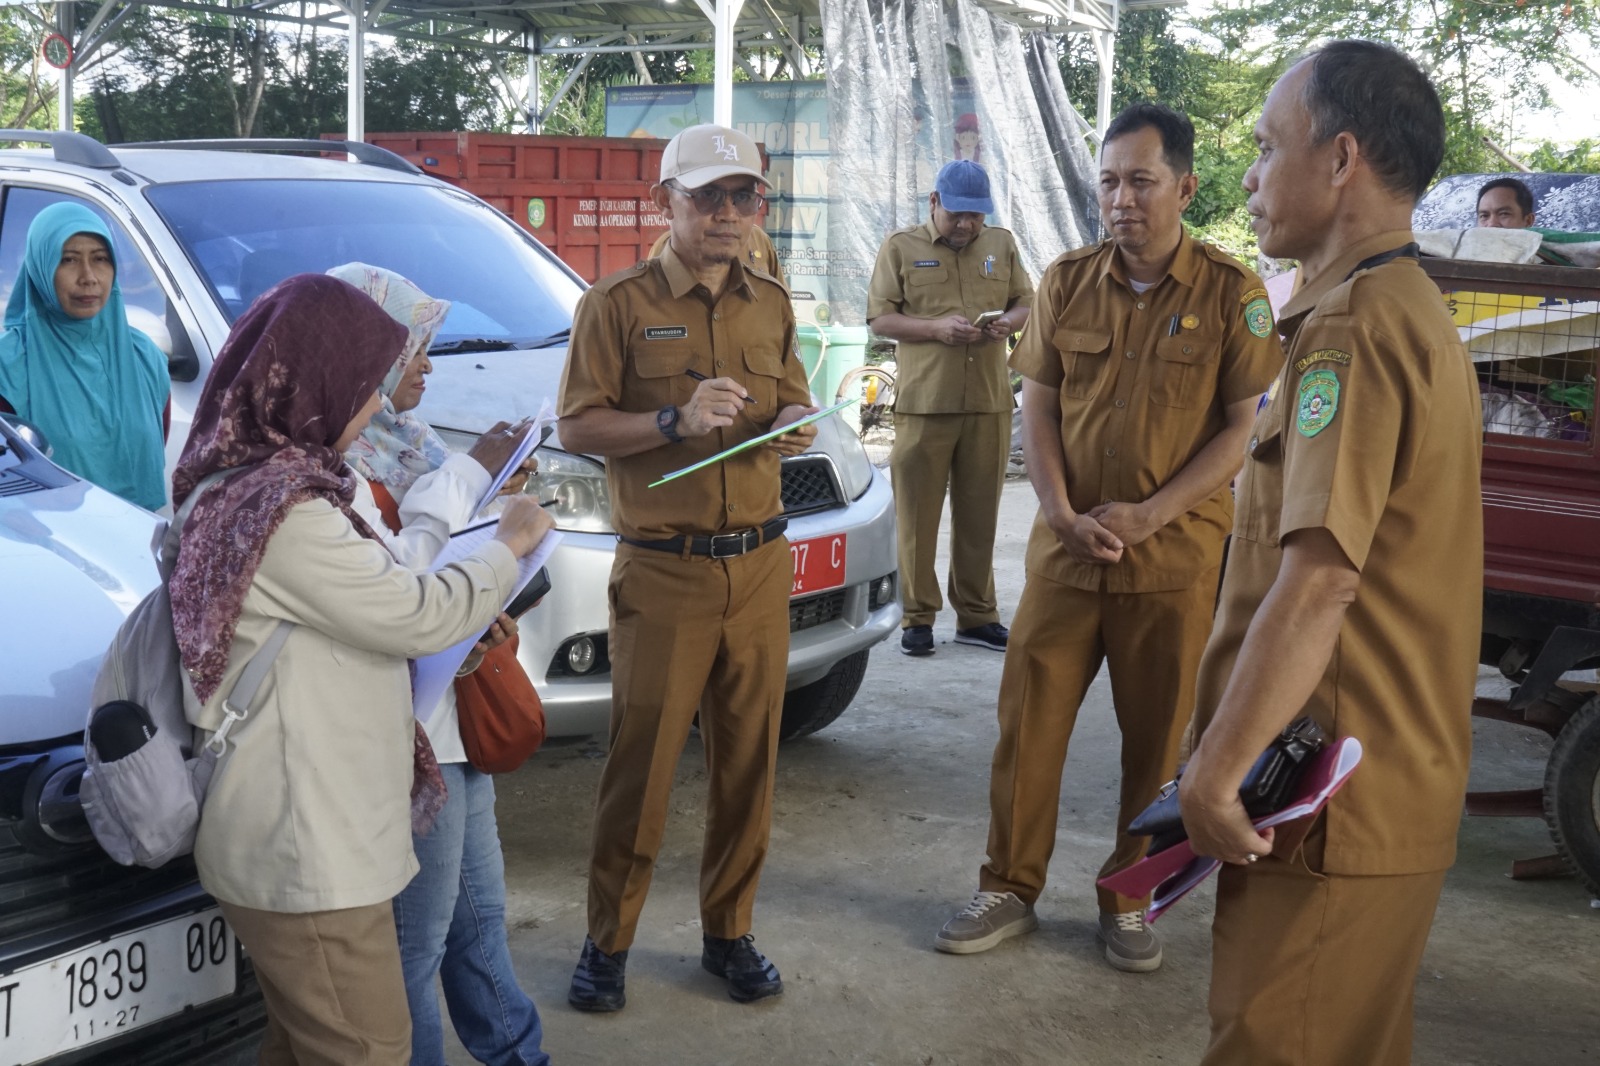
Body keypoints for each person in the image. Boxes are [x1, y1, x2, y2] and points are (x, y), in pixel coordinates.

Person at [1178, 41, 1481, 1065]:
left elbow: (1320, 581)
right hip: (1367, 800)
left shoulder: (1353, 329)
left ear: (1340, 157)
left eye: (1268, 147)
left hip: (1324, 806)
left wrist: (1213, 775)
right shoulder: (1400, 310)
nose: (1252, 178)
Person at [168, 273, 553, 1065]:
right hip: (305, 848)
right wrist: (506, 551)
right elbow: (414, 609)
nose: (376, 402)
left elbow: (379, 592)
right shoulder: (281, 511)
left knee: (304, 1045)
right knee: (370, 1046)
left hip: (302, 834)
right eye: (363, 382)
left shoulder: (264, 486)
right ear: (317, 380)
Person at [934, 104, 1279, 972]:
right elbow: (1039, 403)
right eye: (1110, 182)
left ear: (1186, 187)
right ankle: (1008, 886)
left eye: (1142, 181)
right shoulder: (1063, 281)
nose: (1122, 199)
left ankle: (1129, 896)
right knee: (1028, 731)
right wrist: (1055, 510)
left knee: (1160, 741)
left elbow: (1243, 430)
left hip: (1171, 560)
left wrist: (1152, 514)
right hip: (1065, 554)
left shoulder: (1235, 296)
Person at [558, 123, 817, 1011]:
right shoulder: (617, 305)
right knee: (644, 769)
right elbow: (579, 428)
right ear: (664, 201)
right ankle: (608, 943)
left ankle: (729, 932)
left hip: (758, 565)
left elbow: (794, 400)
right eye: (706, 196)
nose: (725, 214)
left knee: (750, 766)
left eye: (741, 196)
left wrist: (796, 420)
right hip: (666, 571)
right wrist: (674, 422)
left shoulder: (771, 301)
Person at [328, 262, 552, 1066]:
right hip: (409, 738)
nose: (427, 364)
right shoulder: (336, 471)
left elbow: (459, 574)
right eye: (412, 348)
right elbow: (405, 594)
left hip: (452, 718)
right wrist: (465, 482)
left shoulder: (406, 446)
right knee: (415, 953)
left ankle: (519, 1055)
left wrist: (488, 507)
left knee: (480, 924)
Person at [866, 159, 1033, 657]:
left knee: (980, 513)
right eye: (958, 214)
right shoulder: (901, 247)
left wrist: (1009, 322)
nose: (966, 225)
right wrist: (935, 329)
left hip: (988, 401)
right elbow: (880, 318)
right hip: (925, 402)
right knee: (917, 517)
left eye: (976, 216)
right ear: (934, 202)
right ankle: (917, 618)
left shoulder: (1000, 244)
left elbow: (1027, 299)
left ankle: (977, 617)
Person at [0, 202, 168, 510]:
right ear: (40, 267)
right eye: (68, 260)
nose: (88, 277)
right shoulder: (9, 366)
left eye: (101, 259)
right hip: (51, 543)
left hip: (140, 538)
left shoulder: (144, 357)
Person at [649, 224, 787, 289]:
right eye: (710, 194)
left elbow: (782, 308)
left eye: (742, 197)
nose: (729, 213)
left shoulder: (759, 240)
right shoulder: (669, 245)